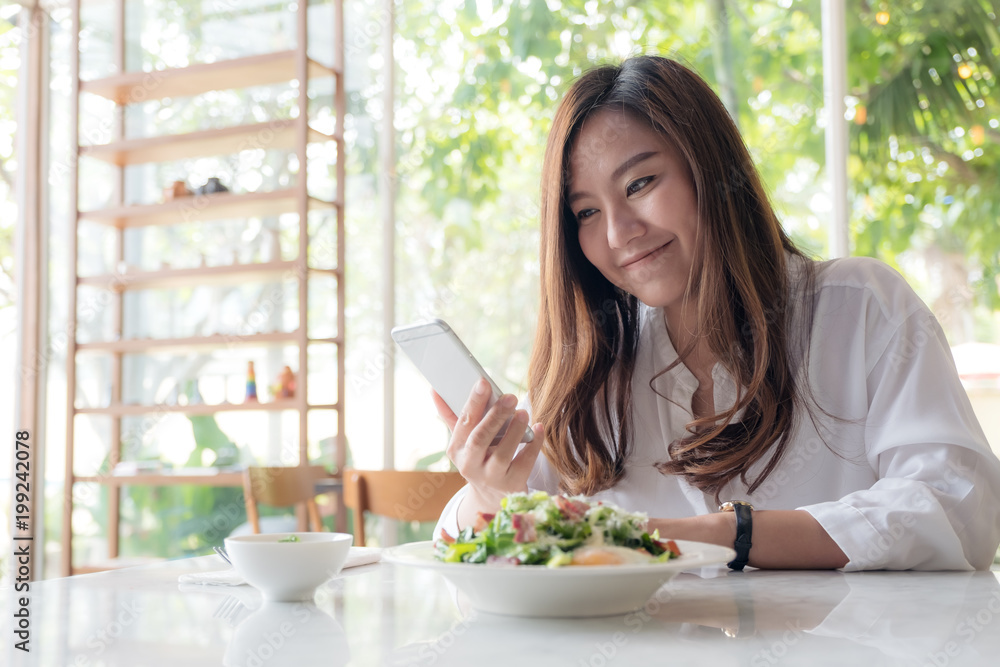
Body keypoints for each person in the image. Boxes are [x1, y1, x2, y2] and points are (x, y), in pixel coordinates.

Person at [432, 55, 1000, 571]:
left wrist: (725, 534)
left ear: (710, 169)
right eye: (584, 213)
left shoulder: (858, 308)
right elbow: (457, 549)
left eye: (641, 183)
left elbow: (958, 506)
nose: (619, 233)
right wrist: (488, 493)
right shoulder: (595, 369)